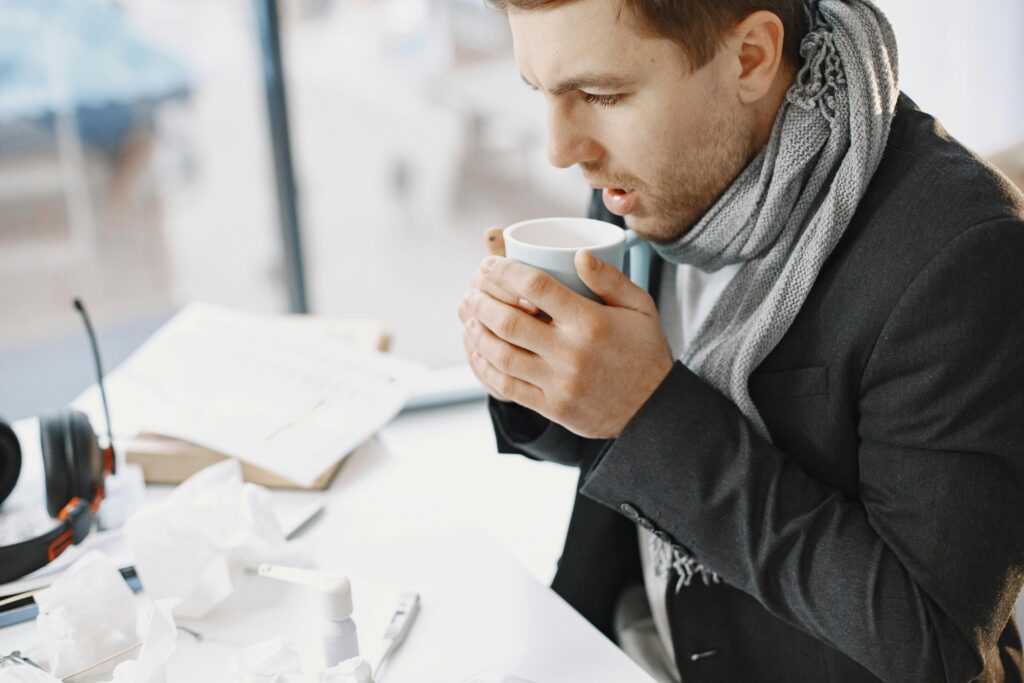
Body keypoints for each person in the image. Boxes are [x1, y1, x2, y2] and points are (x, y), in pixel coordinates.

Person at [456, 0, 1024, 681]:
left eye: (602, 94)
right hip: (617, 643)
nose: (562, 149)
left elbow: (936, 648)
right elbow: (620, 453)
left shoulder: (959, 252)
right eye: (544, 92)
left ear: (750, 56)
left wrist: (649, 411)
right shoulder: (642, 173)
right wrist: (539, 367)